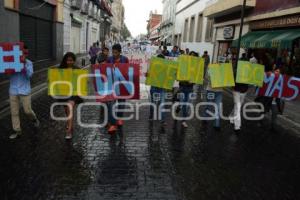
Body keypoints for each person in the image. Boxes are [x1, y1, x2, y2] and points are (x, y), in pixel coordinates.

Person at [9, 45, 40, 139]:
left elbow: (29, 75)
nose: (25, 55)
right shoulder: (12, 61)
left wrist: (23, 65)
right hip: (13, 90)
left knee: (27, 111)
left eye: (26, 53)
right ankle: (17, 131)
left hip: (25, 90)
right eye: (23, 53)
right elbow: (7, 72)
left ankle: (34, 119)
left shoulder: (29, 63)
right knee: (14, 112)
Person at [58, 52, 83, 139]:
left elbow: (82, 81)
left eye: (71, 60)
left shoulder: (77, 69)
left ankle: (68, 131)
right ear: (65, 60)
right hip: (64, 93)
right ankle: (70, 124)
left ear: (74, 61)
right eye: (68, 60)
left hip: (74, 94)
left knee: (70, 108)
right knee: (67, 111)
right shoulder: (60, 69)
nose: (69, 62)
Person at [106, 44, 129, 134]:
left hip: (122, 85)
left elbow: (129, 70)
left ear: (120, 52)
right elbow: (105, 70)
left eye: (116, 52)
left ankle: (119, 118)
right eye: (113, 52)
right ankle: (112, 124)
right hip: (111, 84)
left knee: (121, 103)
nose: (114, 54)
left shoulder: (125, 59)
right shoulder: (109, 59)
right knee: (111, 104)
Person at [176, 51, 197, 128]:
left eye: (193, 57)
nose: (192, 58)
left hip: (190, 88)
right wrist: (183, 79)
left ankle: (184, 121)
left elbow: (196, 79)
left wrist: (193, 81)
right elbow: (178, 76)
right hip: (182, 87)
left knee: (186, 105)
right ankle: (179, 106)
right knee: (183, 103)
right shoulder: (183, 65)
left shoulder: (195, 68)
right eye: (190, 56)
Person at [229, 54, 249, 132]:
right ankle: (237, 126)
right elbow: (231, 80)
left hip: (244, 91)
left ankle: (231, 116)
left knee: (237, 106)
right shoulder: (236, 70)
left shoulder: (249, 71)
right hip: (236, 90)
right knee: (238, 107)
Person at [203, 59, 223, 131]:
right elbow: (206, 78)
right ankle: (205, 118)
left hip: (219, 91)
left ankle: (217, 125)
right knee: (208, 106)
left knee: (217, 108)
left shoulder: (223, 71)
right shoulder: (210, 69)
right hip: (210, 90)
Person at [148, 54, 167, 124]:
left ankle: (163, 120)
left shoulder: (166, 68)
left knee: (162, 104)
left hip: (161, 88)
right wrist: (147, 75)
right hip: (154, 87)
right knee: (153, 103)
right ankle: (151, 116)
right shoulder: (153, 67)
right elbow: (149, 76)